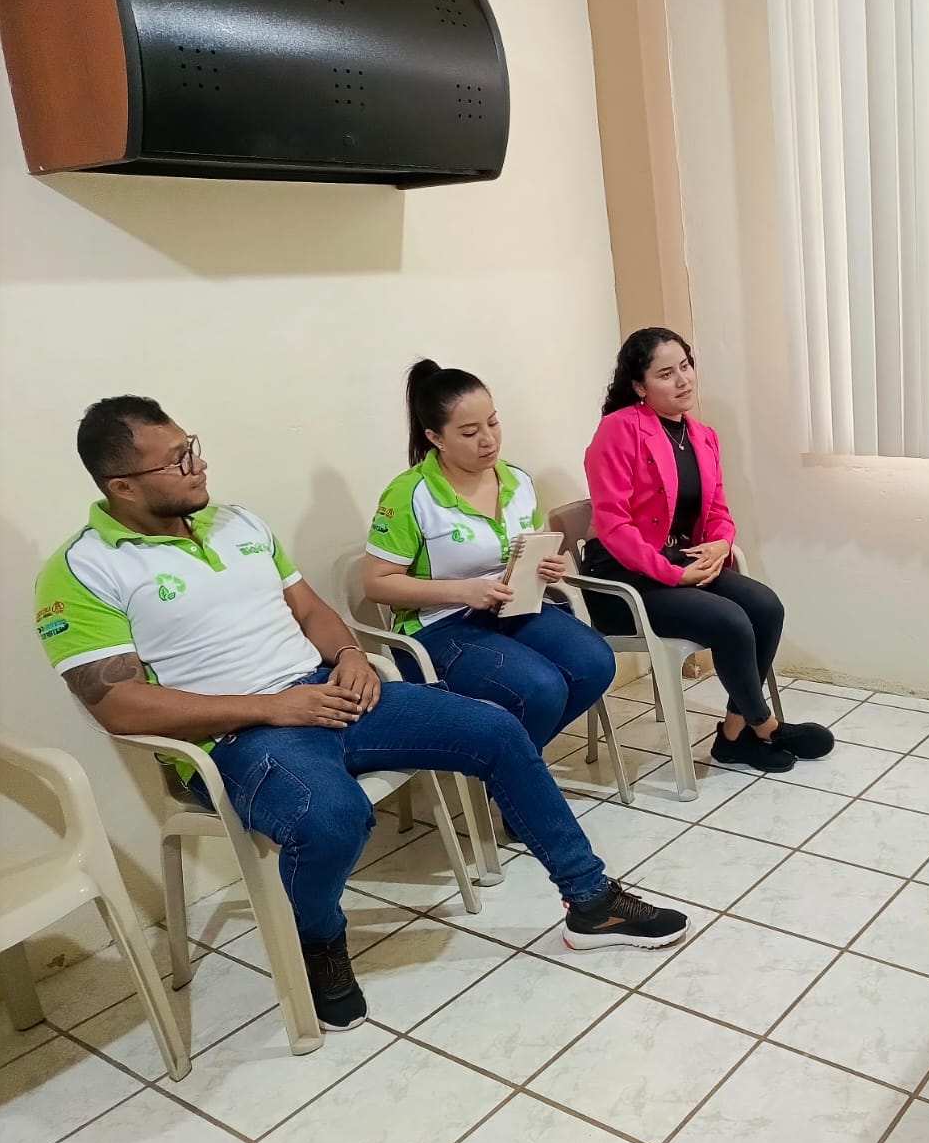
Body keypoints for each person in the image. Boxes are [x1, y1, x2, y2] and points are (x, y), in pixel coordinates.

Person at [36, 397, 688, 1032]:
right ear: (122, 486)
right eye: (177, 460)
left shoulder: (238, 524)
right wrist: (273, 707)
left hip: (331, 693)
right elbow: (116, 704)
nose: (198, 465)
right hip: (236, 736)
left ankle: (591, 901)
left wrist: (348, 654)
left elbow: (310, 610)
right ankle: (319, 941)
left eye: (192, 448)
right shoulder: (82, 570)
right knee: (334, 815)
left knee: (496, 728)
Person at [581, 327, 833, 773]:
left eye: (685, 366)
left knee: (766, 606)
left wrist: (720, 542)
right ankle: (766, 726)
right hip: (623, 577)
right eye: (665, 374)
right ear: (639, 386)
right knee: (730, 620)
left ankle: (733, 736)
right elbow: (614, 525)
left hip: (680, 562)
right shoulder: (618, 430)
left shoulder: (701, 436)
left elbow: (717, 509)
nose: (683, 380)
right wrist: (673, 573)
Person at [364, 360, 616, 776]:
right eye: (469, 433)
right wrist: (464, 591)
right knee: (541, 687)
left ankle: (509, 768)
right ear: (435, 438)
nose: (488, 440)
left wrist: (547, 565)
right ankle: (517, 779)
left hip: (512, 609)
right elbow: (376, 583)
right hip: (440, 626)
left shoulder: (516, 481)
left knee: (595, 663)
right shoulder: (411, 494)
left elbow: (529, 547)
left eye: (493, 423)